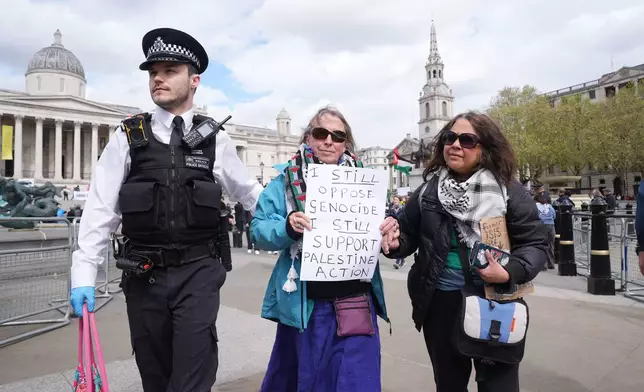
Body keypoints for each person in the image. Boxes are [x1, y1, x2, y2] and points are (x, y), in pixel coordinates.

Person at [69, 27, 263, 391]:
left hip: (199, 272)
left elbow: (251, 193)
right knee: (155, 376)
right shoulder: (127, 136)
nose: (158, 78)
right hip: (144, 277)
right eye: (153, 71)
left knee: (192, 376)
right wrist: (84, 273)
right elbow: (100, 210)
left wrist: (291, 218)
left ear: (194, 80)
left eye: (170, 70)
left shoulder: (215, 138)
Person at [381, 111, 547, 391]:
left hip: (494, 301)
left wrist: (508, 271)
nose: (455, 145)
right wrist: (396, 242)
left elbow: (535, 244)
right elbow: (407, 232)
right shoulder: (429, 191)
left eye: (467, 140)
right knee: (449, 384)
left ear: (485, 148)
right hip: (441, 303)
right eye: (450, 137)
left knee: (498, 386)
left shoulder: (509, 190)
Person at [251, 106, 390, 392]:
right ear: (308, 138)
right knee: (307, 379)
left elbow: (385, 228)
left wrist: (392, 232)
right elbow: (258, 230)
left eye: (338, 136)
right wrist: (287, 227)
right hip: (307, 306)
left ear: (346, 143)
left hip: (355, 301)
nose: (329, 141)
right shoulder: (284, 183)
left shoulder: (366, 183)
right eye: (321, 133)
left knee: (356, 381)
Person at [535, 193, 556, 269]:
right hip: (551, 226)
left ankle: (543, 265)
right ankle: (551, 264)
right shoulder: (550, 207)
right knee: (550, 245)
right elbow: (554, 216)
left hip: (541, 226)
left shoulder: (536, 207)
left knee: (542, 245)